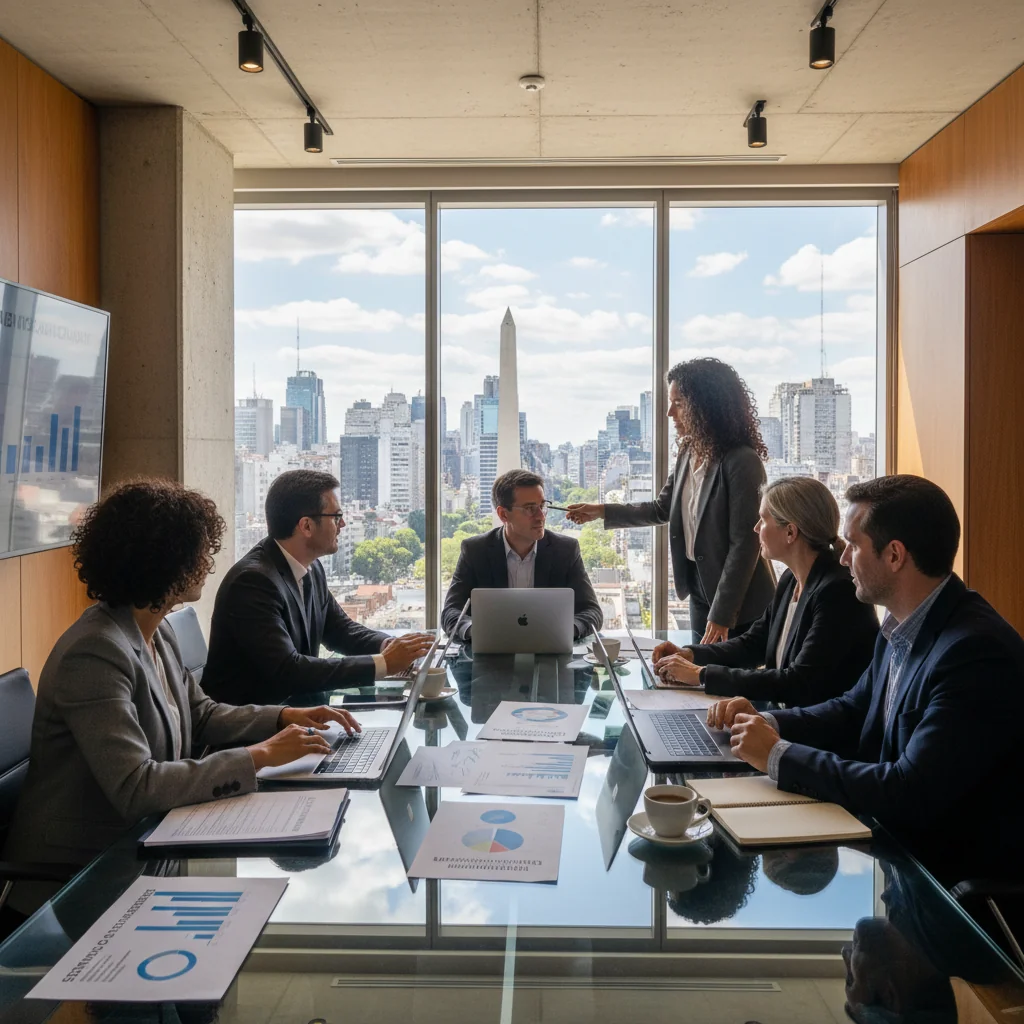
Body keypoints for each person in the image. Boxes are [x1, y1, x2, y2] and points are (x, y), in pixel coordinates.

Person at [1, 479, 360, 914]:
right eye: (200, 553)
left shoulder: (155, 630)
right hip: (78, 876)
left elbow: (202, 714)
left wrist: (284, 716)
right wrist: (259, 756)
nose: (208, 565)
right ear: (165, 561)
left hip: (149, 841)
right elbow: (137, 786)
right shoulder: (94, 653)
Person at [707, 474, 1024, 882]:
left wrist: (777, 755)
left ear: (894, 555)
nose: (842, 558)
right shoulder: (901, 623)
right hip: (896, 856)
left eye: (853, 545)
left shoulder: (974, 653)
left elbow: (909, 791)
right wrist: (768, 723)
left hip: (948, 884)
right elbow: (853, 708)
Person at [567, 358, 774, 643]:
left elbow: (745, 544)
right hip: (699, 587)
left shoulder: (742, 462)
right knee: (698, 675)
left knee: (726, 679)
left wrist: (723, 614)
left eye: (678, 403)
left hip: (739, 600)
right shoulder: (689, 450)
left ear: (705, 406)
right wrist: (600, 511)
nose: (668, 413)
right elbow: (662, 508)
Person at [204, 470, 433, 705]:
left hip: (297, 715)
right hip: (256, 729)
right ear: (306, 526)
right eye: (336, 516)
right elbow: (288, 670)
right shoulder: (252, 582)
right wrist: (384, 664)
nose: (342, 523)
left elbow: (340, 630)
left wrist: (391, 647)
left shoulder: (311, 567)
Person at [653, 476, 879, 706]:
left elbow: (800, 681)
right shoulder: (791, 579)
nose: (756, 528)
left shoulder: (837, 593)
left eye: (763, 519)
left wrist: (700, 675)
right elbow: (754, 644)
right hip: (783, 720)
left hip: (814, 734)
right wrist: (691, 655)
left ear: (790, 532)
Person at [441, 469, 603, 643]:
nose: (541, 516)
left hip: (551, 656)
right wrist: (476, 631)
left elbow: (592, 611)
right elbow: (451, 611)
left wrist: (565, 630)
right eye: (529, 509)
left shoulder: (565, 550)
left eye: (542, 506)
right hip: (491, 655)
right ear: (503, 514)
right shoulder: (475, 550)